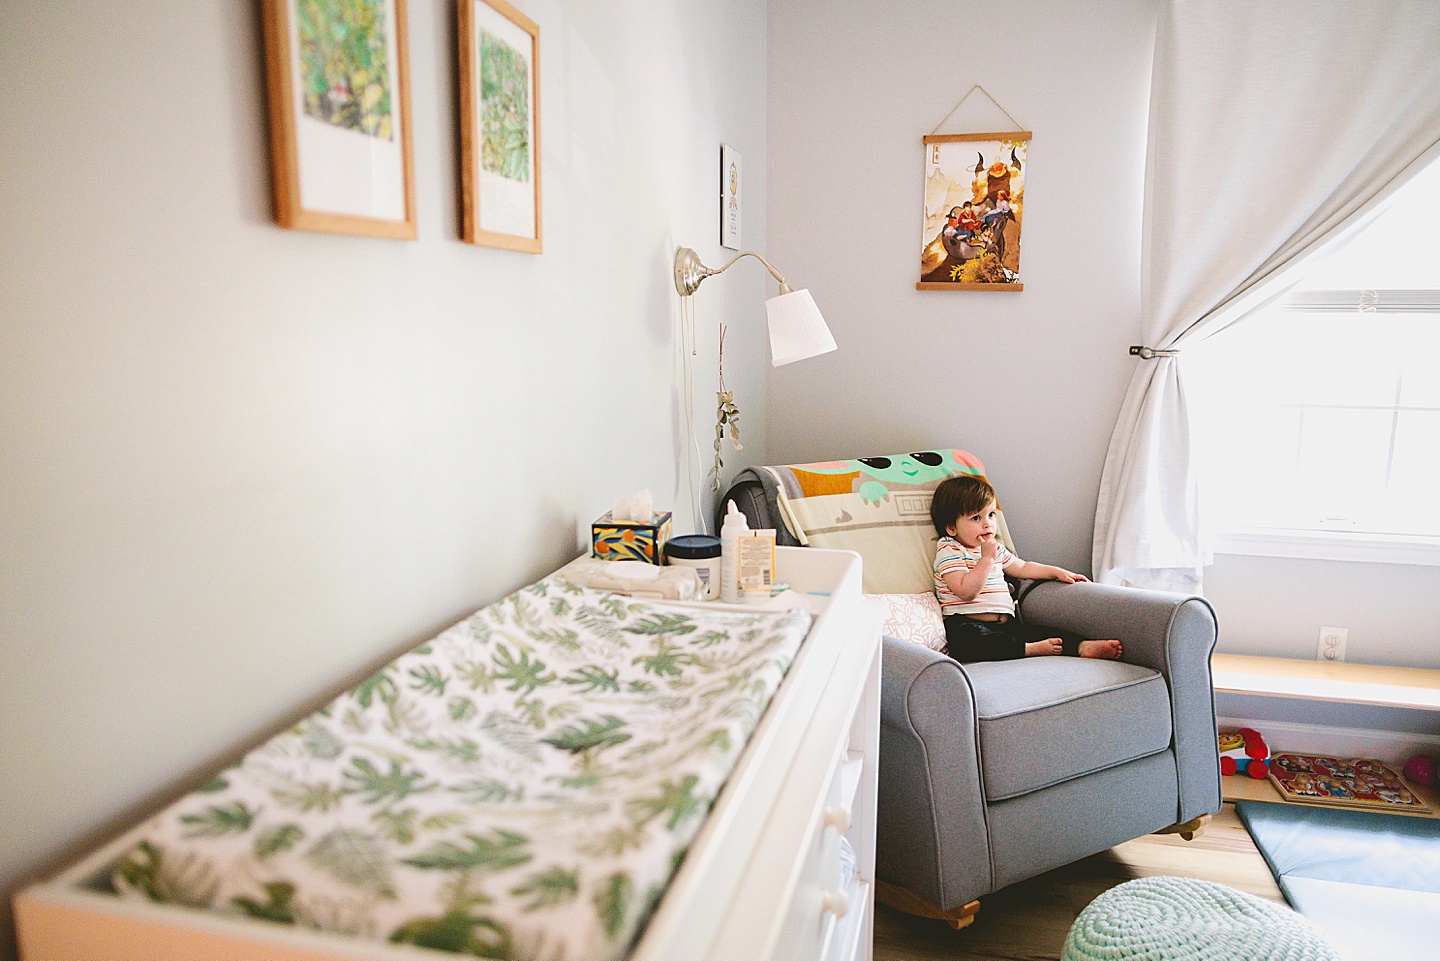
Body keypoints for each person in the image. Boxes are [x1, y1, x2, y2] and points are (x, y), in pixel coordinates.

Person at [930, 474, 1123, 662]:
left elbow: (1022, 568)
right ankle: (1027, 649)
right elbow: (965, 591)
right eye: (975, 518)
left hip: (1007, 624)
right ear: (951, 528)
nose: (987, 524)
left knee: (1040, 632)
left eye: (990, 515)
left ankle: (1081, 646)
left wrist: (1057, 572)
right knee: (966, 640)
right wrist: (986, 559)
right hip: (968, 623)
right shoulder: (950, 549)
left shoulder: (995, 548)